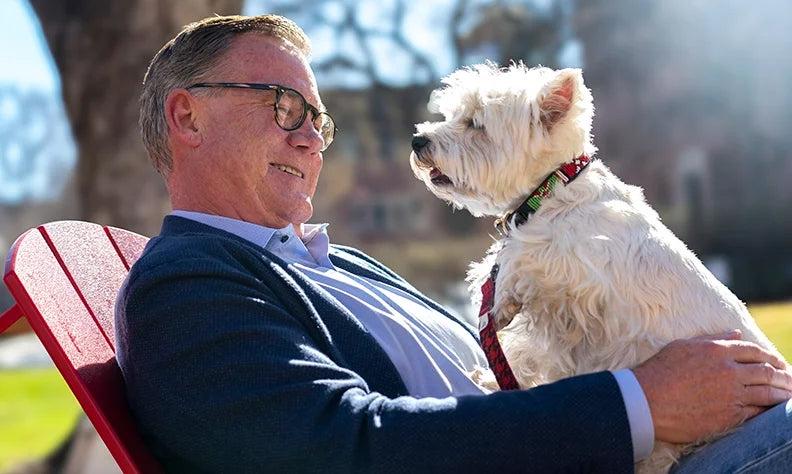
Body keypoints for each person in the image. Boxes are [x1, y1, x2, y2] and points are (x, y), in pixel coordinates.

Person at [116, 14, 792, 473]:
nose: (310, 138)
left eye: (319, 120)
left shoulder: (334, 263)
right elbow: (342, 449)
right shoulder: (185, 287)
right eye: (285, 107)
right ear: (189, 116)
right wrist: (643, 403)